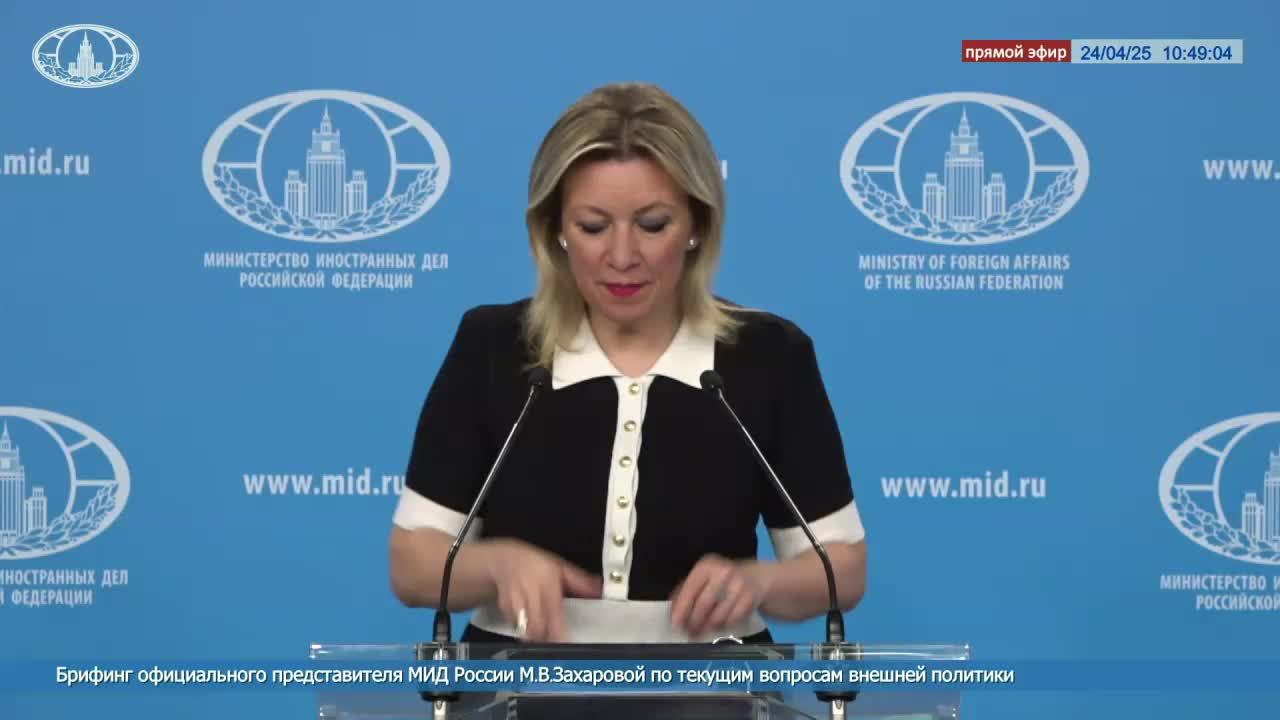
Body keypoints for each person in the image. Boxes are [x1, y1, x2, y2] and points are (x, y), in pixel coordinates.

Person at [389, 82, 866, 645]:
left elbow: (842, 569)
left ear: (697, 225)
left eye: (653, 225)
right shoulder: (493, 346)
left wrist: (758, 582)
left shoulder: (769, 356)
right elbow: (412, 566)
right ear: (555, 230)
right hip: (514, 679)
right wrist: (497, 565)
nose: (621, 256)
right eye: (593, 227)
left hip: (716, 681)